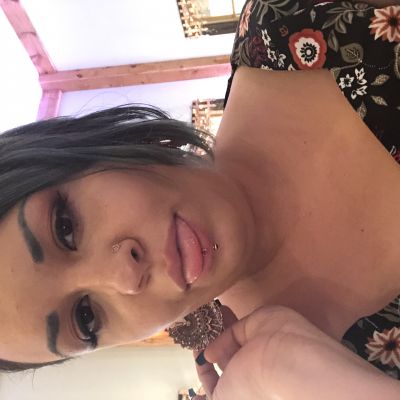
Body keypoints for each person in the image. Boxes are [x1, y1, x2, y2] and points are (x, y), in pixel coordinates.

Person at [0, 0, 400, 398]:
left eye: (65, 228)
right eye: (86, 318)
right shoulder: (316, 372)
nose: (124, 277)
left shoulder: (292, 19)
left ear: (87, 152)